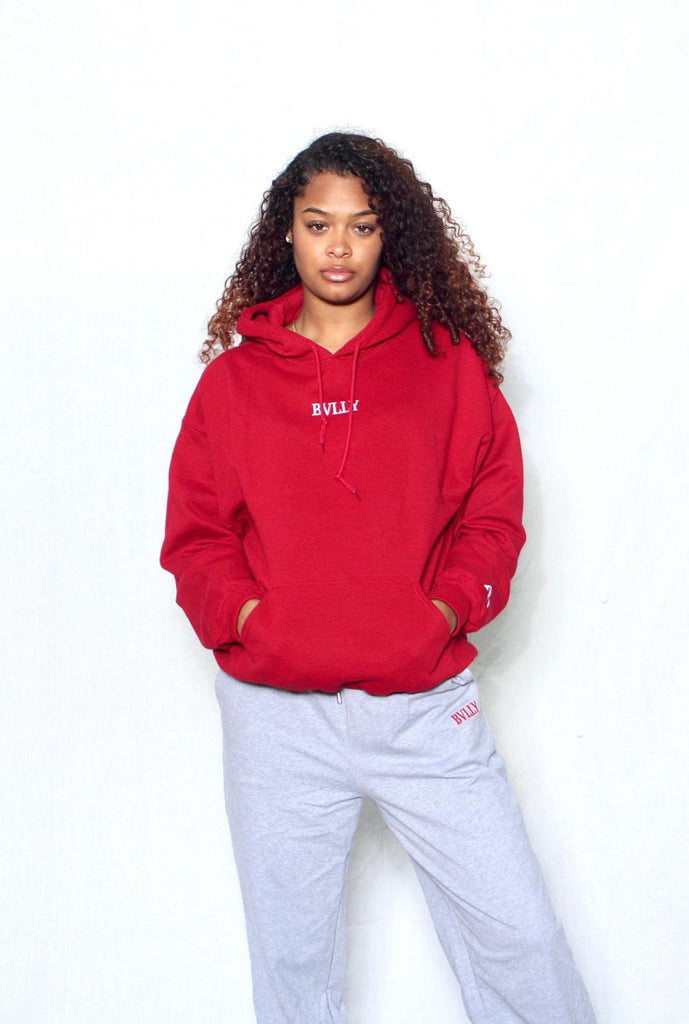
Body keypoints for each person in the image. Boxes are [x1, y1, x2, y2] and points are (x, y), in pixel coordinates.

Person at [160, 131, 596, 1024]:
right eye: (318, 223)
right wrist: (251, 620)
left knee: (518, 937)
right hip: (277, 718)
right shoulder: (233, 385)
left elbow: (492, 518)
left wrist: (440, 610)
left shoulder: (448, 367)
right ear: (286, 231)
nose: (338, 247)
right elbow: (195, 537)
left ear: (387, 235)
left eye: (361, 226)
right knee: (292, 962)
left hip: (422, 707)